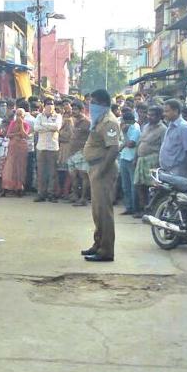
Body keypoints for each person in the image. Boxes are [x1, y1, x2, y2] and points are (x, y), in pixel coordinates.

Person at [80, 89, 120, 262]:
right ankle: (98, 244)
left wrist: (102, 171)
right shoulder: (100, 119)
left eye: (94, 102)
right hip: (95, 167)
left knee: (104, 211)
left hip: (103, 168)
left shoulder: (109, 121)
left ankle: (106, 250)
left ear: (103, 104)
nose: (91, 105)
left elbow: (114, 149)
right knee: (97, 210)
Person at [133, 106, 166, 217]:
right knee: (139, 185)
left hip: (153, 160)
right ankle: (143, 209)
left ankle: (152, 210)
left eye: (152, 115)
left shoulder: (163, 129)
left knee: (152, 187)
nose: (149, 117)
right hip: (141, 160)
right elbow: (139, 142)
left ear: (159, 116)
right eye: (149, 114)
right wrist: (135, 157)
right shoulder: (146, 126)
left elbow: (163, 147)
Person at [34, 98, 63, 202]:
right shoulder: (39, 116)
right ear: (44, 105)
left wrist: (44, 126)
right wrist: (49, 127)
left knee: (52, 172)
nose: (50, 106)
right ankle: (41, 193)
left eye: (51, 104)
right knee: (41, 172)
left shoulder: (58, 116)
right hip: (41, 147)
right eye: (48, 104)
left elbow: (57, 127)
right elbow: (36, 128)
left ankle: (51, 194)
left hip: (53, 147)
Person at [159, 99, 187, 178]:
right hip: (167, 170)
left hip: (178, 171)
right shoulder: (171, 125)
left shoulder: (184, 127)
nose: (164, 114)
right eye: (164, 111)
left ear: (175, 111)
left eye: (167, 111)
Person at [0, 108, 31, 197]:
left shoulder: (26, 124)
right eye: (17, 114)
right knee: (9, 167)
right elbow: (8, 135)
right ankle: (6, 188)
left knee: (20, 167)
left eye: (20, 115)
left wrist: (21, 125)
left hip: (22, 148)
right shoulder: (12, 123)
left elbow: (25, 135)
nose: (18, 117)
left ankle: (19, 188)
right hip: (12, 147)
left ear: (24, 116)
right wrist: (17, 134)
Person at [68, 102, 91, 207]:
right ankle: (75, 196)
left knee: (83, 176)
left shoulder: (87, 122)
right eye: (72, 109)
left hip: (82, 152)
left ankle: (83, 198)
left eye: (75, 109)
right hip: (72, 152)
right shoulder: (73, 121)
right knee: (73, 175)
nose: (73, 111)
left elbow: (92, 136)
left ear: (82, 110)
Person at [118, 111, 141, 215]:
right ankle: (128, 207)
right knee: (125, 185)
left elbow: (131, 143)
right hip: (124, 157)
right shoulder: (125, 128)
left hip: (132, 158)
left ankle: (135, 208)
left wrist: (122, 145)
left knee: (133, 186)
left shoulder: (135, 128)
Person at [57, 100, 75, 199]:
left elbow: (70, 136)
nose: (65, 107)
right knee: (60, 171)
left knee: (68, 171)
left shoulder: (71, 120)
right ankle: (61, 191)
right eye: (63, 105)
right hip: (59, 147)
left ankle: (66, 191)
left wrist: (59, 137)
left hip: (67, 147)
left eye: (67, 105)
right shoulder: (60, 117)